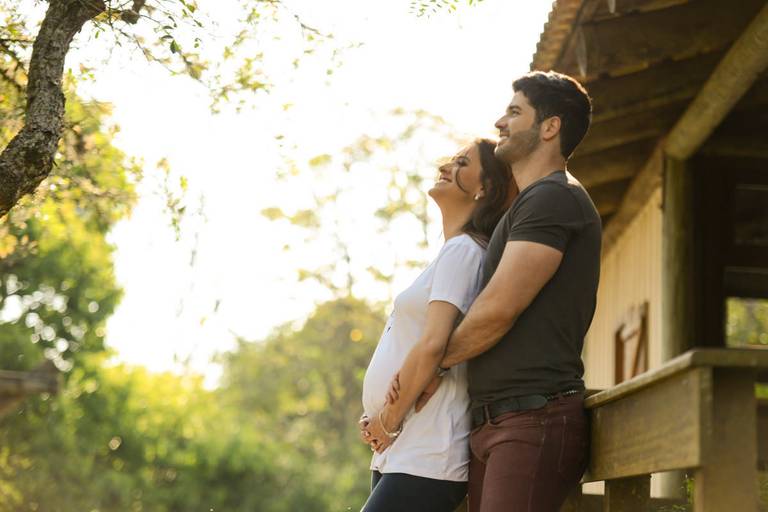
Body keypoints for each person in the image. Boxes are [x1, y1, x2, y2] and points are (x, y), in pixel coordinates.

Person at [389, 71, 600, 512]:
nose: (500, 122)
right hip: (497, 420)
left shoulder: (554, 197)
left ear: (550, 127)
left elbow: (499, 308)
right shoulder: (528, 204)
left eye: (514, 112)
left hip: (532, 417)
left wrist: (433, 365)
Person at [358, 139, 516, 512]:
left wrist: (387, 421)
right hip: (402, 447)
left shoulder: (463, 251)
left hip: (426, 451)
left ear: (484, 188)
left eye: (461, 163)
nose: (445, 167)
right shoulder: (451, 252)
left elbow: (434, 345)